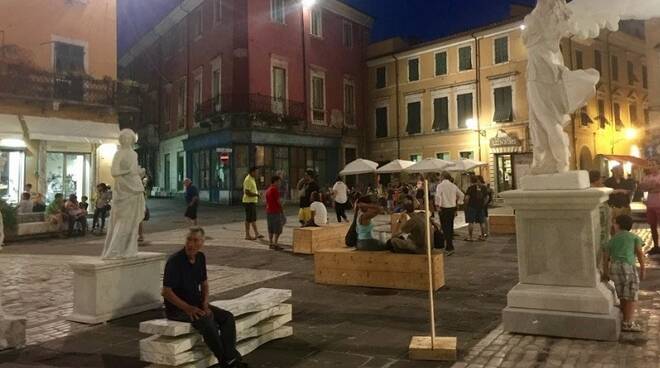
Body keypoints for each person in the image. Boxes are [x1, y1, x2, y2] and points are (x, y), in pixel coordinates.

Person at [162, 227, 246, 368]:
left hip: (196, 303)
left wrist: (205, 304)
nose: (191, 244)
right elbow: (166, 292)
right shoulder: (175, 261)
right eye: (189, 240)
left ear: (202, 242)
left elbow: (204, 283)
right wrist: (188, 308)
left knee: (227, 317)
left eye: (195, 240)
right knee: (207, 321)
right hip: (178, 309)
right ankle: (225, 361)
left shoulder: (200, 257)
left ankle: (231, 357)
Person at [602, 215, 646, 332]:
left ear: (618, 225)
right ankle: (628, 322)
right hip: (628, 267)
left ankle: (624, 317)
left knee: (621, 292)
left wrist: (605, 273)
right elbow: (640, 254)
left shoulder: (613, 239)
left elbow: (605, 257)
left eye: (614, 223)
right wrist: (642, 268)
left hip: (615, 267)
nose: (613, 225)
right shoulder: (634, 237)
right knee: (631, 294)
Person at [435, 171, 464, 255]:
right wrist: (458, 203)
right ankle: (449, 245)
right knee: (450, 227)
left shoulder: (440, 186)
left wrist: (438, 206)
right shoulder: (453, 186)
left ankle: (449, 247)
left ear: (443, 177)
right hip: (452, 208)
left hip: (443, 209)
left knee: (445, 228)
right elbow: (461, 195)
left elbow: (438, 196)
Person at [590, 170, 612, 276]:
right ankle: (600, 272)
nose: (602, 180)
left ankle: (600, 271)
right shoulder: (596, 192)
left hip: (600, 226)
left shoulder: (594, 190)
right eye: (600, 178)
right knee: (600, 250)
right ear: (597, 180)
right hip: (600, 227)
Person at [638, 166, 660, 255]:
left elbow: (649, 187)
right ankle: (656, 246)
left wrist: (651, 188)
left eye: (653, 164)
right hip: (651, 204)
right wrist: (654, 188)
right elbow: (642, 187)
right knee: (652, 226)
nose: (651, 167)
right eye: (650, 165)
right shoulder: (647, 177)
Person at [464, 176, 487, 242]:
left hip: (472, 206)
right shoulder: (484, 188)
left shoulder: (471, 188)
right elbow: (487, 197)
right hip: (481, 207)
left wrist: (466, 204)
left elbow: (466, 198)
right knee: (482, 222)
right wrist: (483, 204)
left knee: (471, 222)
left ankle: (470, 237)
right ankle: (483, 236)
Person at [242, 167, 262, 240]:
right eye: (255, 172)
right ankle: (247, 235)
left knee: (253, 219)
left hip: (252, 201)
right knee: (248, 219)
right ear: (252, 172)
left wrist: (256, 194)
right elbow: (247, 192)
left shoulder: (252, 179)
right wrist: (256, 195)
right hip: (248, 202)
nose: (257, 173)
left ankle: (257, 233)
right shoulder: (248, 179)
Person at [265, 175, 284, 250]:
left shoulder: (268, 190)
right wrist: (282, 210)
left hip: (268, 211)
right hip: (275, 211)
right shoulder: (274, 190)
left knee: (271, 228)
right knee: (278, 229)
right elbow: (278, 202)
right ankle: (275, 243)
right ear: (275, 181)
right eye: (279, 182)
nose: (280, 183)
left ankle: (270, 243)